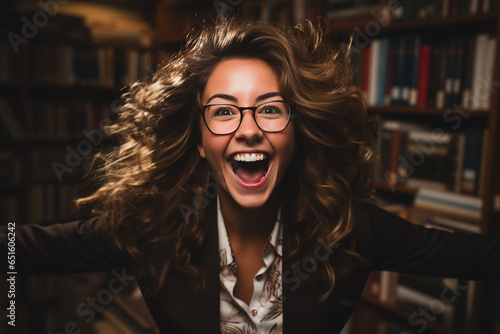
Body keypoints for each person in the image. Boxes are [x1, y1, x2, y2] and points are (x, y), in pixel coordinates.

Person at [1, 17, 500, 334]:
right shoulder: (148, 229)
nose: (248, 131)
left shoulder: (352, 230)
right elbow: (18, 250)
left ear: (296, 132)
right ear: (199, 139)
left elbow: (479, 257)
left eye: (270, 109)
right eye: (223, 112)